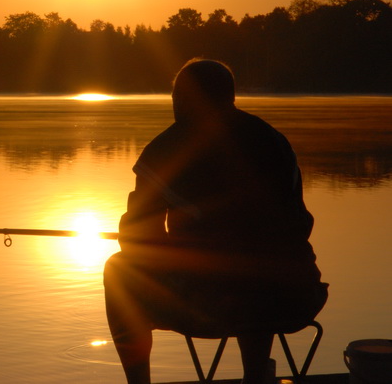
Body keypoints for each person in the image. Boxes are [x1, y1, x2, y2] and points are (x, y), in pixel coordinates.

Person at [104, 59, 327, 384]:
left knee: (118, 270)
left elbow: (138, 239)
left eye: (176, 98)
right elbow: (297, 225)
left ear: (182, 99)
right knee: (257, 271)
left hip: (216, 306)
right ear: (230, 96)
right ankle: (255, 375)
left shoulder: (167, 150)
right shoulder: (275, 142)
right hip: (296, 297)